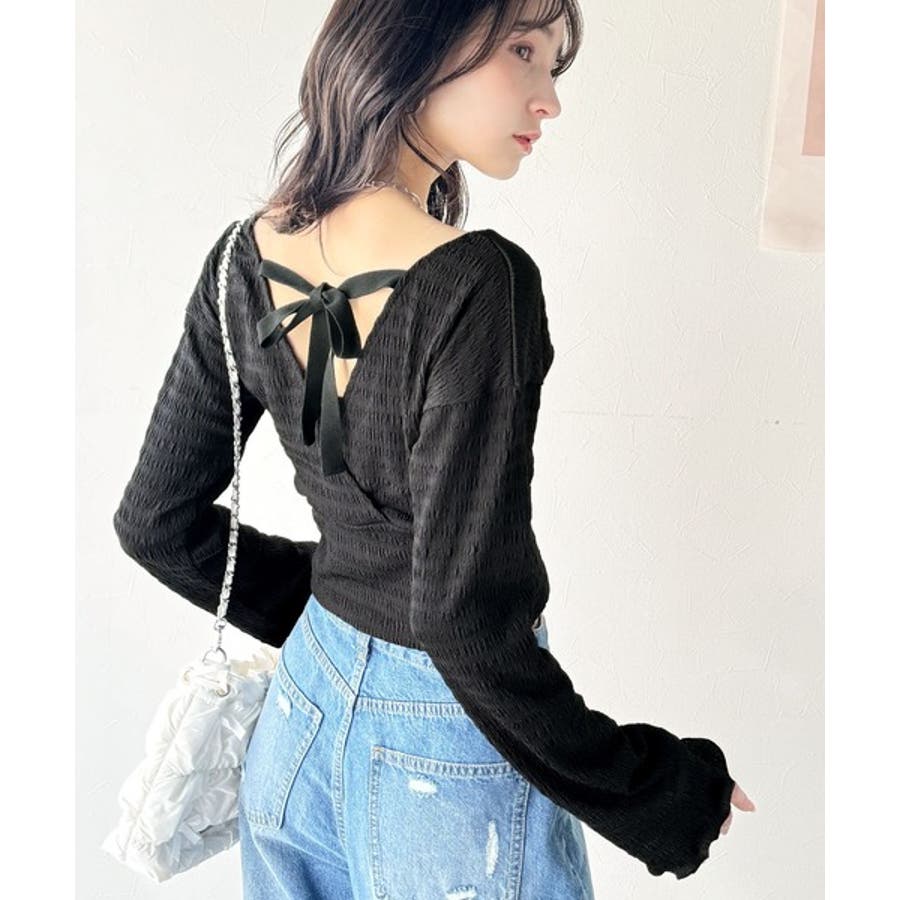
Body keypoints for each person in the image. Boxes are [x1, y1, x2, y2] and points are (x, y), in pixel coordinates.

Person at [112, 1, 755, 896]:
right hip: (440, 759)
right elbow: (463, 620)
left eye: (553, 64)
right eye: (522, 51)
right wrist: (659, 792)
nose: (549, 99)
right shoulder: (479, 283)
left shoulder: (243, 258)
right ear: (415, 36)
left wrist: (338, 614)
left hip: (296, 723)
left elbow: (155, 523)